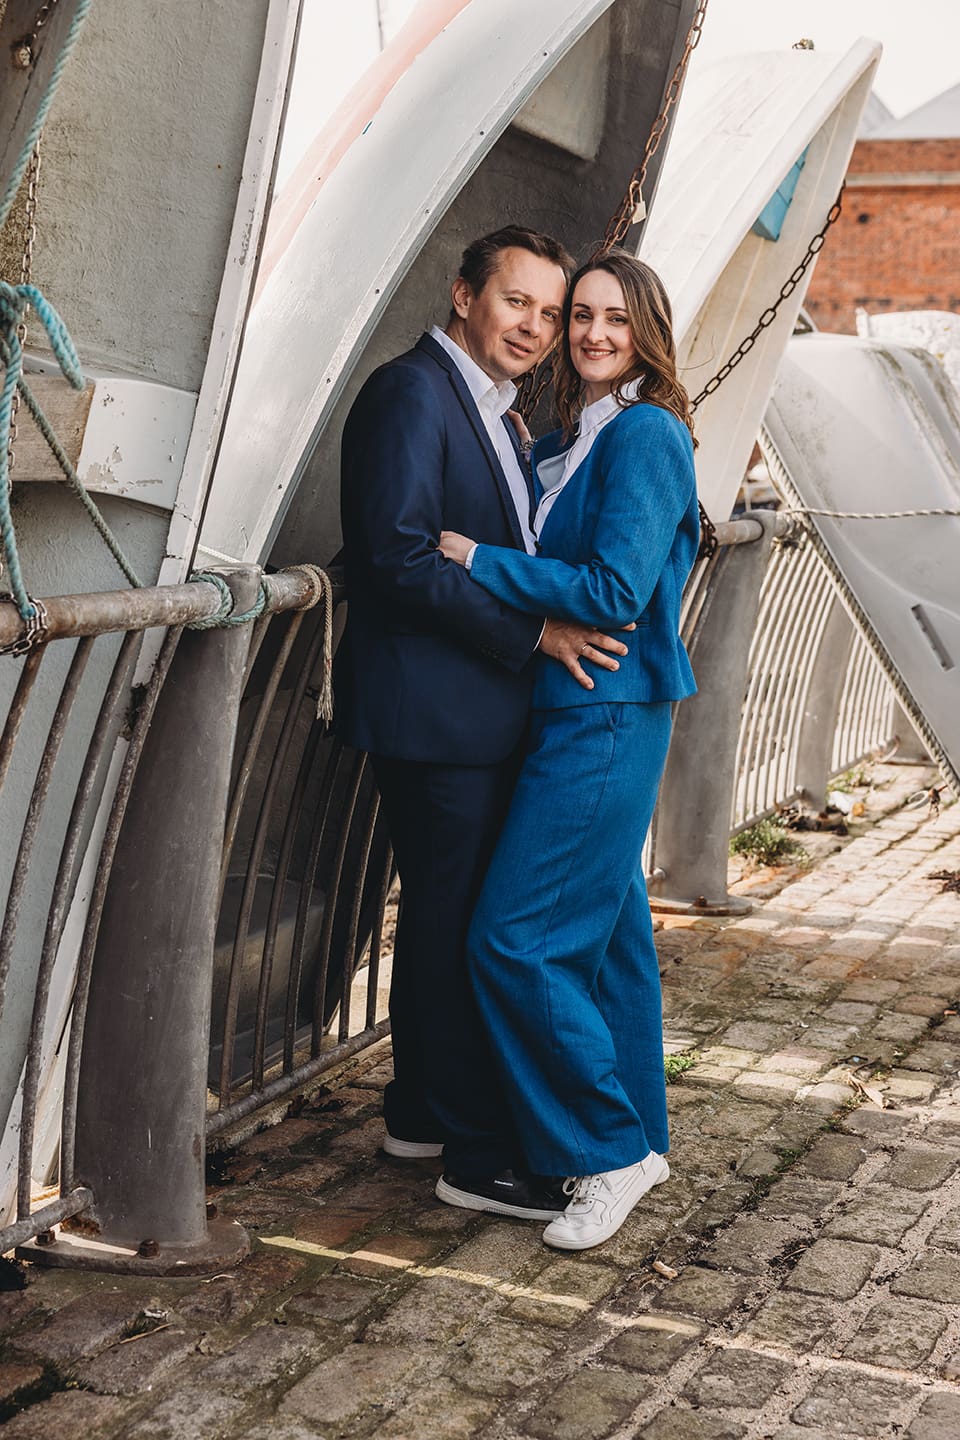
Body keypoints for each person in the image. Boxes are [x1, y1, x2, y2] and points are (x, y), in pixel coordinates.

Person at [337, 225, 635, 1218]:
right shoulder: (410, 393)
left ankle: (421, 1113)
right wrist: (533, 636)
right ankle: (475, 1156)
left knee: (440, 920)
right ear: (465, 295)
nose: (539, 329)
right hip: (435, 711)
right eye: (521, 303)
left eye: (554, 314)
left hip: (460, 711)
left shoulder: (497, 412)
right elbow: (398, 556)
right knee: (459, 926)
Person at [437, 249, 700, 1248]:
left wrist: (476, 558)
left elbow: (613, 594)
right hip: (576, 710)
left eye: (614, 320)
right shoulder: (571, 436)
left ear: (647, 334)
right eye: (579, 315)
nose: (590, 333)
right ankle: (639, 1138)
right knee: (611, 943)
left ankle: (604, 1151)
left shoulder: (646, 434)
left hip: (606, 712)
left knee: (518, 940)